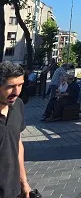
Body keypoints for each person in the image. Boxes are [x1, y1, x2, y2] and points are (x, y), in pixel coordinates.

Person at [0, 62, 31, 198]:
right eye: (11, 87)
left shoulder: (18, 105)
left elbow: (17, 143)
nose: (17, 92)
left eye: (20, 85)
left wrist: (23, 181)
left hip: (13, 190)